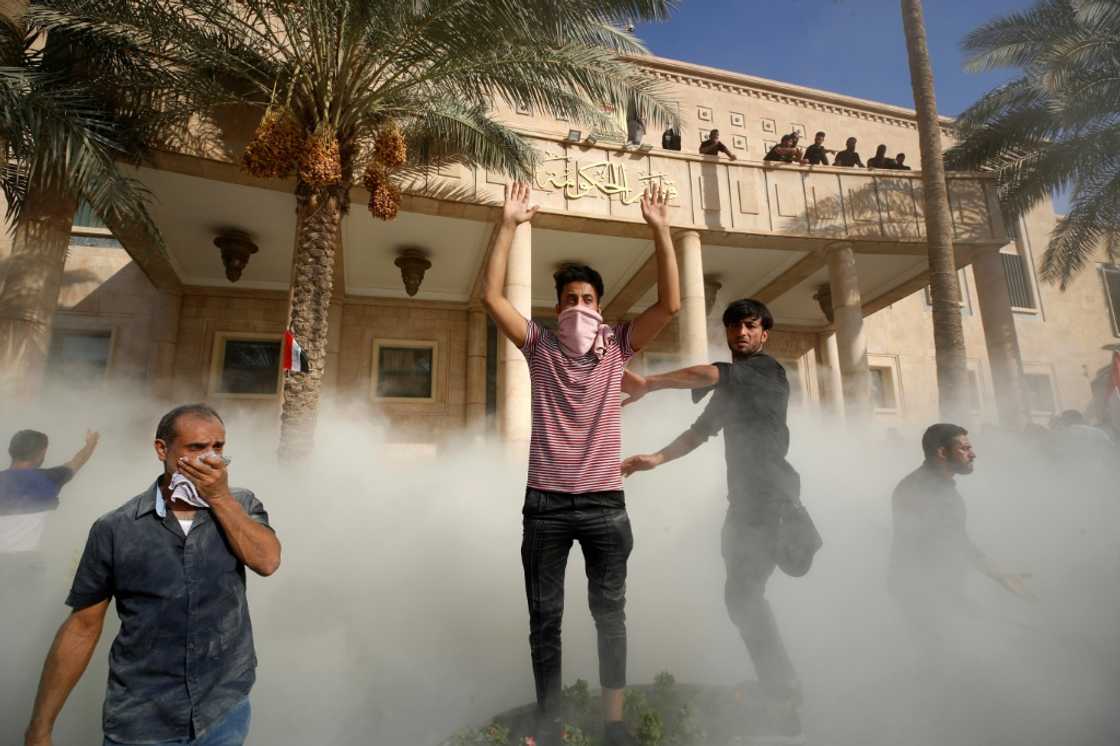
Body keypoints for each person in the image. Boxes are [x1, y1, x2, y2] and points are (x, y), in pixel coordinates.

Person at [481, 182, 680, 746]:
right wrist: (507, 224)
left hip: (604, 507)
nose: (578, 308)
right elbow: (492, 298)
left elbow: (670, 306)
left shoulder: (618, 347)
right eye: (569, 299)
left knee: (610, 617)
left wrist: (661, 230)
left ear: (601, 308)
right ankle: (550, 724)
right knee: (544, 620)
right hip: (545, 506)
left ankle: (613, 723)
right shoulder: (539, 346)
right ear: (557, 308)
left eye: (588, 300)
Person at [23, 404, 281, 746]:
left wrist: (219, 498)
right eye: (196, 447)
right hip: (142, 718)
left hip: (222, 711)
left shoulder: (241, 505)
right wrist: (41, 727)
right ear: (162, 449)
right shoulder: (116, 528)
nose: (210, 458)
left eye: (218, 447)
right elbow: (82, 626)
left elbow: (267, 561)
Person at [620, 299, 807, 746]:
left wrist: (649, 383)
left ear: (764, 333)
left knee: (743, 596)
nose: (741, 333)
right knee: (740, 597)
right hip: (744, 507)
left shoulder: (766, 371)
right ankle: (779, 687)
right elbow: (699, 432)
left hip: (772, 504)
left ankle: (783, 691)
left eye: (750, 326)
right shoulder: (731, 391)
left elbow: (707, 374)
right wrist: (655, 459)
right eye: (733, 327)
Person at [888, 424, 1030, 661]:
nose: (972, 454)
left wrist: (994, 573)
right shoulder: (923, 488)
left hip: (935, 587)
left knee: (950, 655)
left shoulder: (936, 484)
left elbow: (952, 537)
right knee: (945, 658)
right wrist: (990, 574)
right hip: (924, 590)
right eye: (964, 448)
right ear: (942, 452)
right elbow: (945, 541)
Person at [1, 428, 99, 555]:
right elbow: (76, 462)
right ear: (40, 454)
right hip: (25, 561)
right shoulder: (48, 479)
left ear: (11, 451)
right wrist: (91, 444)